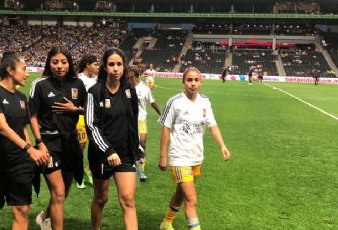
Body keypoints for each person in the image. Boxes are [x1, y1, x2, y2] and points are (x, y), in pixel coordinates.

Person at [0, 52, 49, 230]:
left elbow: (23, 128)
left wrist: (29, 154)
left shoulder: (22, 98)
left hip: (19, 162)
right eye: (23, 69)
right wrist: (30, 149)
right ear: (9, 70)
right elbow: (3, 128)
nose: (27, 73)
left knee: (22, 210)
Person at [158, 67, 231, 230]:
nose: (193, 83)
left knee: (181, 194)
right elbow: (165, 129)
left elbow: (212, 125)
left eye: (196, 80)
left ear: (201, 82)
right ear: (183, 82)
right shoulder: (175, 101)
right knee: (191, 200)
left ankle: (166, 222)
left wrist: (223, 146)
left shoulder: (205, 101)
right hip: (179, 157)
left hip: (197, 157)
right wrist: (163, 155)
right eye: (189, 80)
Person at [29, 46, 86, 230]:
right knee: (59, 193)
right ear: (49, 63)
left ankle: (45, 217)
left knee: (63, 192)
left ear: (70, 63)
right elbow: (33, 116)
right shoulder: (40, 84)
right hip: (48, 142)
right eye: (55, 62)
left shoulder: (78, 84)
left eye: (63, 62)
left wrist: (74, 109)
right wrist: (39, 143)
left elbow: (89, 110)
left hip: (71, 142)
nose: (59, 66)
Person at [85, 48, 143, 230]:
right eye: (111, 64)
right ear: (104, 66)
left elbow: (133, 121)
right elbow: (91, 126)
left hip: (125, 154)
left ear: (124, 66)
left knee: (128, 200)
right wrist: (108, 150)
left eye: (119, 64)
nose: (116, 68)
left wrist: (137, 148)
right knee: (101, 198)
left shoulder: (129, 91)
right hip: (102, 155)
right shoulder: (94, 92)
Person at [128, 66, 161, 182]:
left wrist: (161, 114)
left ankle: (141, 170)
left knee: (142, 143)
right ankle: (131, 165)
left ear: (132, 73)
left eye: (128, 72)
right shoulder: (124, 87)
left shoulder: (144, 88)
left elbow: (152, 102)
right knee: (129, 144)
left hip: (141, 120)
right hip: (128, 120)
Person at [75, 54, 99, 189]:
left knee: (95, 148)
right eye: (95, 64)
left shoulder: (97, 81)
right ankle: (78, 177)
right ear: (87, 65)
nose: (97, 67)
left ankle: (88, 171)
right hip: (80, 117)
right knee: (81, 148)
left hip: (94, 118)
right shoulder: (78, 79)